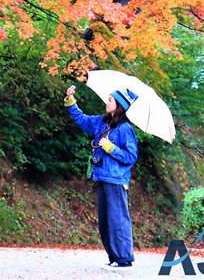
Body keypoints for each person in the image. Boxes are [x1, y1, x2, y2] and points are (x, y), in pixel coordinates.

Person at [65, 84, 139, 269]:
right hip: (102, 177)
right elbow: (82, 120)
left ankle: (124, 259)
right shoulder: (102, 122)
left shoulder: (124, 129)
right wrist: (71, 101)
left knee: (118, 220)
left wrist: (110, 147)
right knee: (105, 220)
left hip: (116, 180)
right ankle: (114, 257)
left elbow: (131, 156)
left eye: (111, 100)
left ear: (120, 105)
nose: (107, 102)